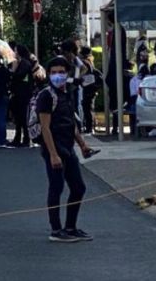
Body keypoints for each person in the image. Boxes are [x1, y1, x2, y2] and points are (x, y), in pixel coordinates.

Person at [36, 56, 97, 243]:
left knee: (78, 187)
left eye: (61, 72)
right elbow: (45, 127)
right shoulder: (46, 96)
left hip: (68, 147)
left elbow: (71, 123)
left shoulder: (67, 93)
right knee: (57, 187)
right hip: (53, 148)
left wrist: (82, 144)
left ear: (67, 73)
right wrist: (53, 154)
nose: (57, 76)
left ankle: (71, 227)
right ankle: (56, 230)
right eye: (53, 72)